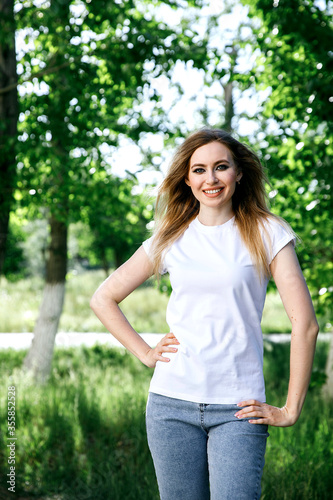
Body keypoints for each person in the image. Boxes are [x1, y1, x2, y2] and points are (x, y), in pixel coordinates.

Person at [90, 128, 319, 500]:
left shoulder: (268, 232)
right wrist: (146, 353)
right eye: (199, 170)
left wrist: (291, 408)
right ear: (187, 178)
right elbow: (103, 298)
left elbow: (305, 325)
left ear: (238, 173)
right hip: (170, 405)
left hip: (239, 408)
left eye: (221, 167)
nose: (210, 179)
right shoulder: (170, 238)